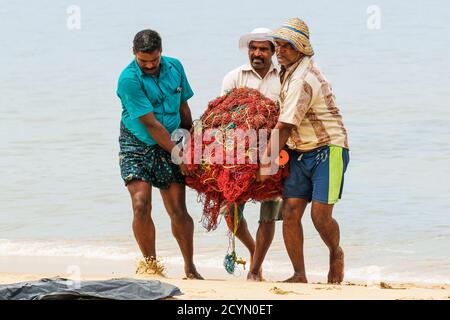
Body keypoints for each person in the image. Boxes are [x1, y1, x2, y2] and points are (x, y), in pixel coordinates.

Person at [258, 18, 350, 284]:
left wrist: (266, 165)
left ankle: (336, 252)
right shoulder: (287, 71)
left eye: (288, 46)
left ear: (302, 48)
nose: (280, 51)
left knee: (320, 215)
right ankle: (299, 274)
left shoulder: (303, 78)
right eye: (279, 45)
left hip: (328, 148)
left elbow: (284, 126)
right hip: (300, 151)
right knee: (290, 211)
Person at [117, 29, 203, 279]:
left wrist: (189, 143)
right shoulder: (128, 79)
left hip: (174, 138)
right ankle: (152, 266)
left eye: (154, 60)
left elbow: (183, 106)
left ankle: (190, 267)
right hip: (138, 141)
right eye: (144, 61)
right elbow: (151, 124)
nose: (150, 65)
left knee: (178, 210)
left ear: (160, 52)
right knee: (141, 204)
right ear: (134, 54)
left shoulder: (175, 67)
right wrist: (178, 154)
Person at [221, 28, 282, 281]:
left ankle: (255, 269)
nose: (257, 53)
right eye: (253, 48)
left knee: (269, 212)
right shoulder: (234, 77)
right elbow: (224, 117)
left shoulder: (284, 78)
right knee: (229, 211)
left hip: (276, 151)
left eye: (263, 49)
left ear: (273, 52)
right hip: (239, 155)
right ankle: (254, 250)